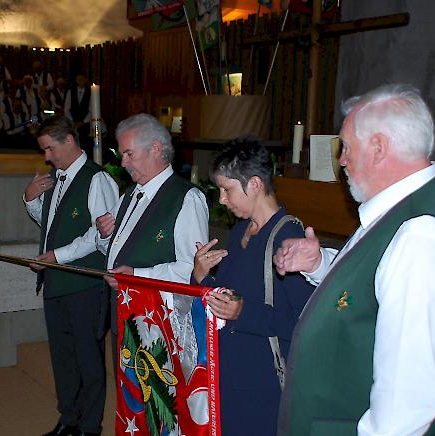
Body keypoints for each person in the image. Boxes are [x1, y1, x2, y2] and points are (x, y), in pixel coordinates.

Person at [274, 84, 435, 435]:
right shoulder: (401, 211)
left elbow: (408, 407)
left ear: (378, 147)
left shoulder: (420, 235)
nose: (341, 160)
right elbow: (378, 287)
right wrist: (320, 265)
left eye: (345, 147)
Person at [191, 136, 314, 435]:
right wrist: (202, 276)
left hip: (263, 385)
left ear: (255, 184)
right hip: (231, 375)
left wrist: (243, 312)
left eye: (227, 189)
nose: (222, 199)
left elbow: (303, 325)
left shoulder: (289, 239)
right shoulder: (241, 231)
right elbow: (226, 301)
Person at [23, 116, 119, 436]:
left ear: (69, 141)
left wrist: (57, 257)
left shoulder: (97, 179)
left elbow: (102, 236)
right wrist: (31, 198)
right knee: (62, 356)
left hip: (85, 284)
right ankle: (69, 418)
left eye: (49, 149)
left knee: (88, 358)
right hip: (56, 281)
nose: (46, 156)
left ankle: (90, 426)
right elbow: (51, 224)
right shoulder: (56, 177)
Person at [95, 113, 209, 369]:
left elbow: (192, 270)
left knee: (157, 402)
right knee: (128, 399)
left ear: (156, 149)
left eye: (129, 154)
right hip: (124, 312)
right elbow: (115, 252)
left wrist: (136, 274)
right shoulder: (130, 195)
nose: (123, 162)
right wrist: (105, 237)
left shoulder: (186, 199)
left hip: (158, 323)